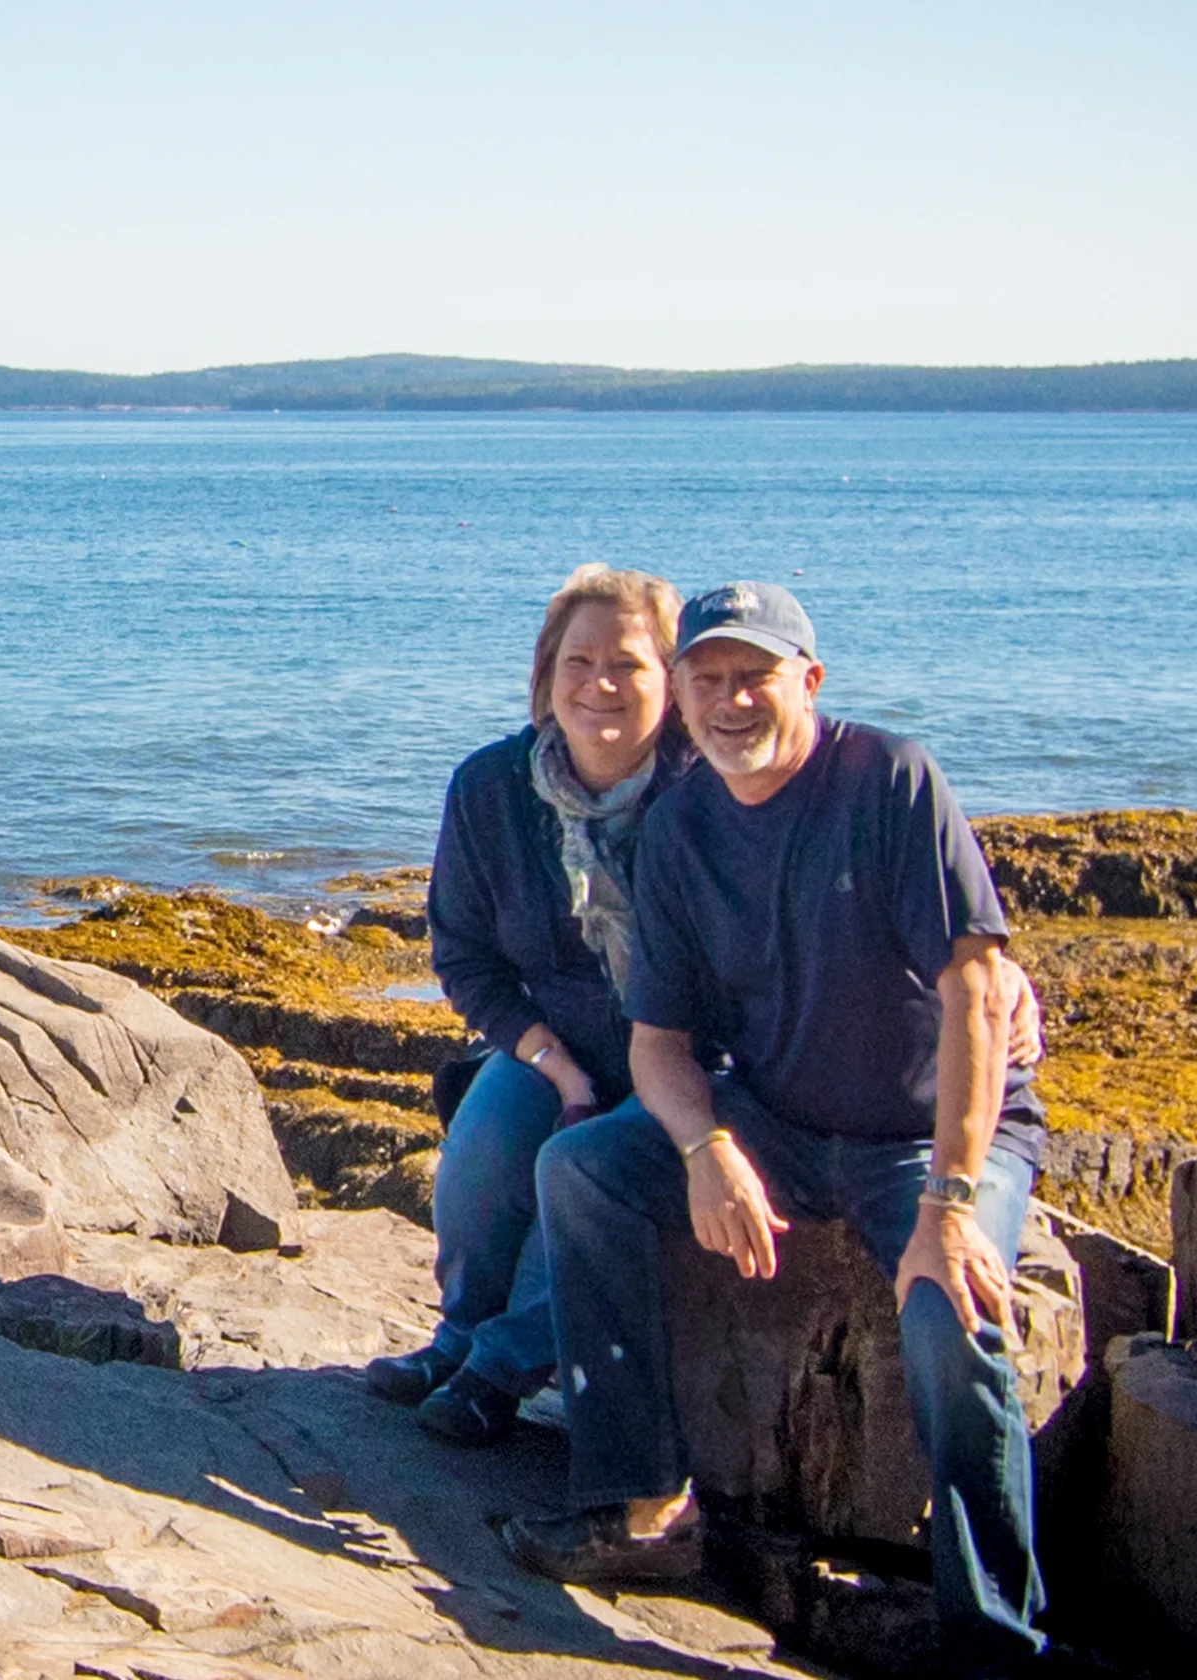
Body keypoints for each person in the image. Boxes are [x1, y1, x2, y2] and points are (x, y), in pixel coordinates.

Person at [502, 581, 1050, 1673]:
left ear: (809, 681)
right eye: (705, 680)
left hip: (916, 1140)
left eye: (752, 677)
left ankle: (996, 1638)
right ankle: (642, 1501)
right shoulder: (687, 823)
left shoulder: (890, 782)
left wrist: (948, 1199)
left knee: (952, 1314)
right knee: (582, 1171)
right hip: (778, 1123)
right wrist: (709, 1150)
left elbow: (980, 994)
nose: (728, 701)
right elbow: (658, 1044)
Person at [372, 565, 696, 1446]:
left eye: (628, 665)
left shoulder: (706, 798)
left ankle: (501, 1372)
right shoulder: (491, 790)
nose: (600, 686)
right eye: (577, 661)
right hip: (558, 1044)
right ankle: (458, 1339)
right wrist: (552, 1063)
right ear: (545, 677)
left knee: (586, 1177)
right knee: (483, 1148)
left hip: (689, 1066)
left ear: (671, 680)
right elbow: (466, 957)